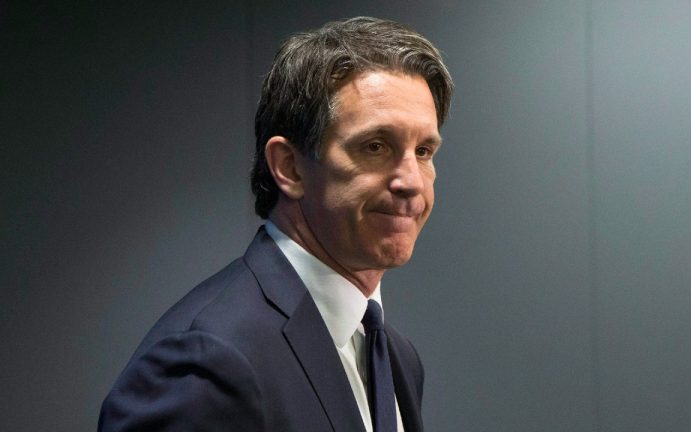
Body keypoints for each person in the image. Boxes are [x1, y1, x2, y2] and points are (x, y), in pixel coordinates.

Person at [98, 16, 453, 432]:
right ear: (290, 168)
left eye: (424, 151)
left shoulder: (397, 357)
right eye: (376, 146)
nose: (412, 182)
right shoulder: (208, 361)